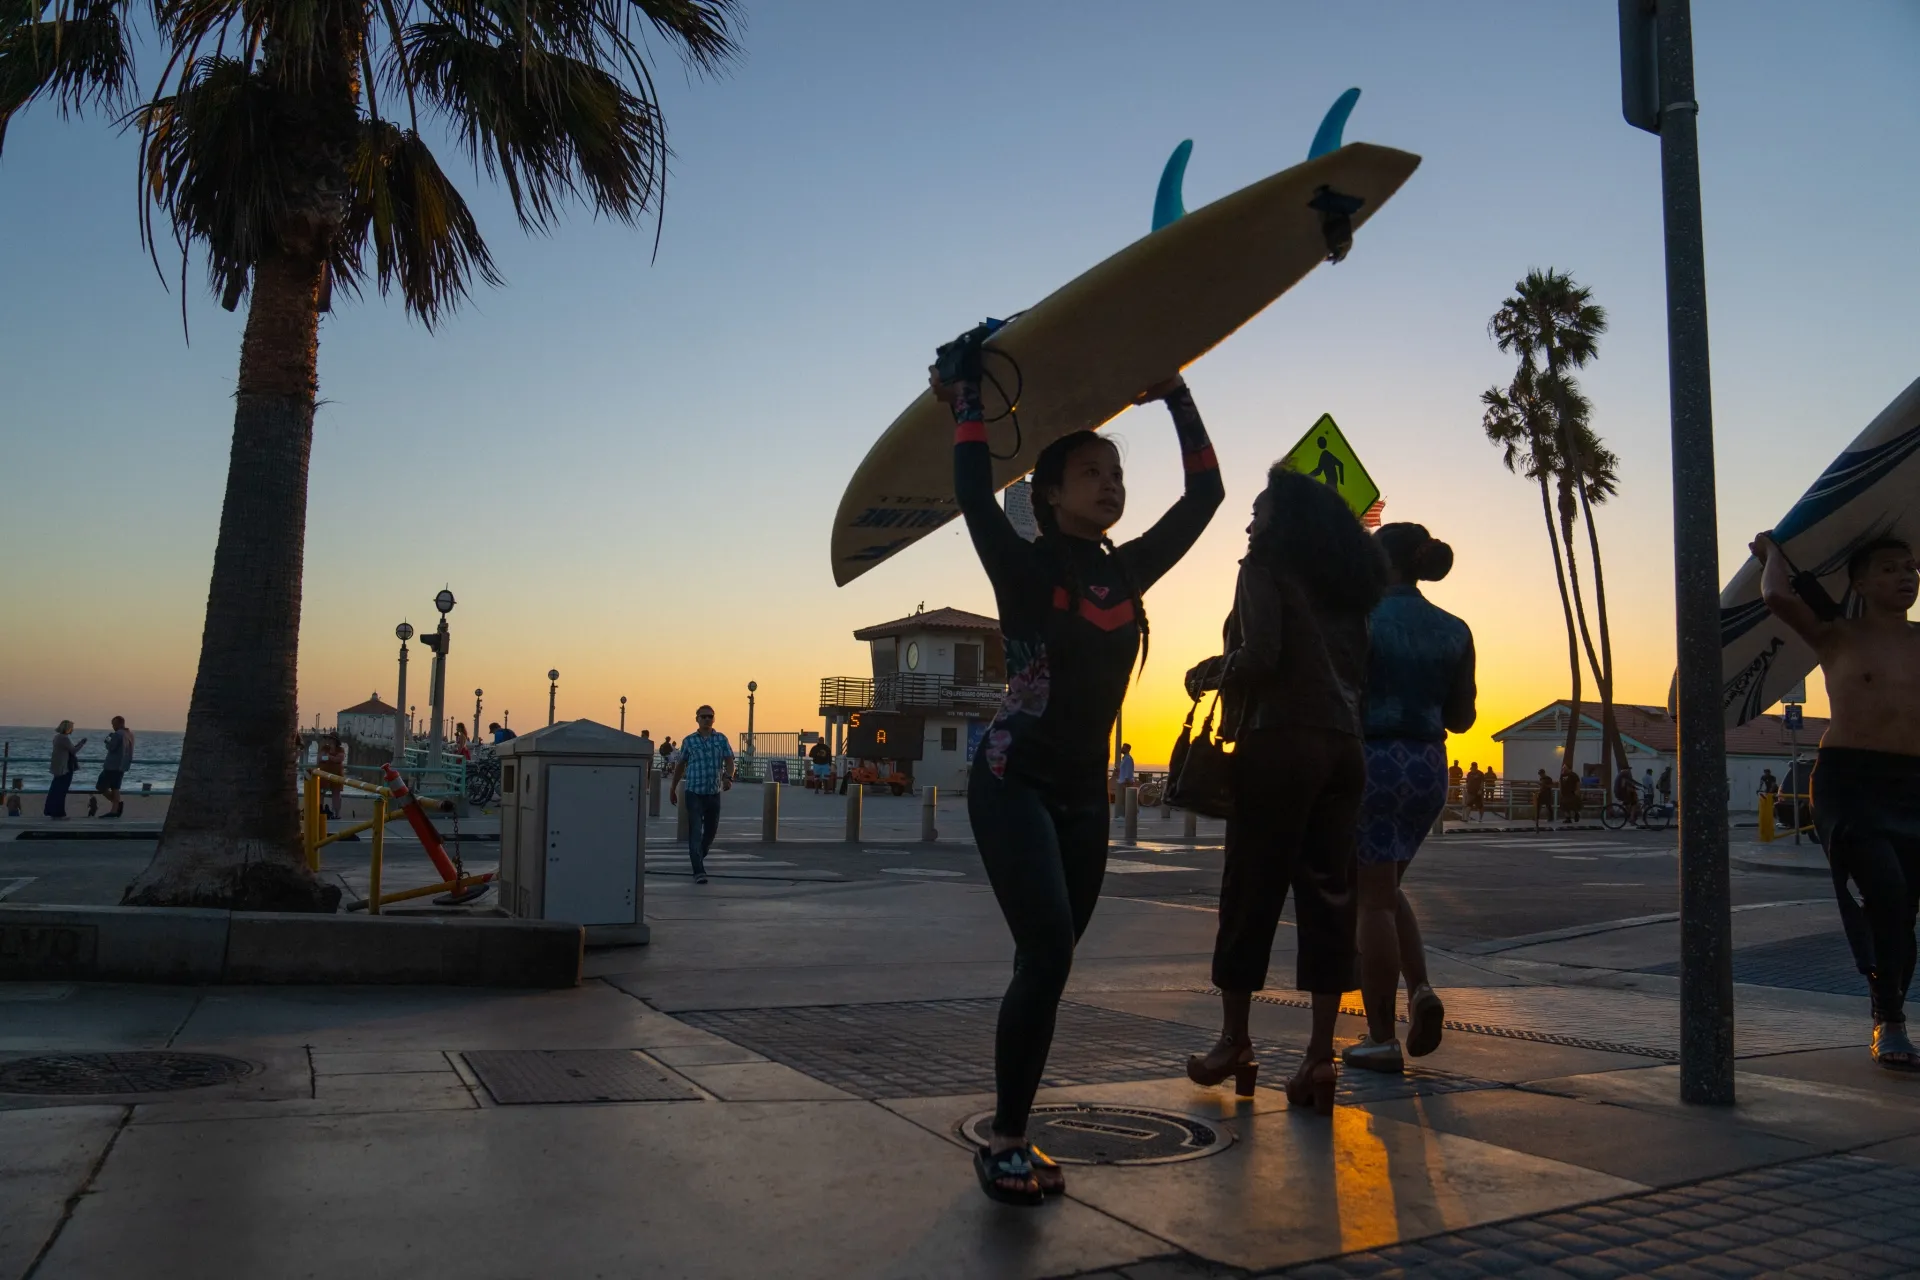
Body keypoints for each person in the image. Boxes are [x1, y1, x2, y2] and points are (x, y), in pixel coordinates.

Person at [933, 341, 1222, 1206]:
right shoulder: (1020, 566)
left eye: (1115, 474)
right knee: (1051, 950)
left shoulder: (1127, 570)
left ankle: (1013, 1125)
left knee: (1048, 960)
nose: (1110, 485)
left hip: (1080, 799)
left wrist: (1175, 394)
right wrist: (966, 400)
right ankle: (1007, 1142)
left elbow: (1204, 495)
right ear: (1051, 492)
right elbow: (974, 493)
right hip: (1011, 778)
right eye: (1091, 473)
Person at [1185, 468, 1381, 1117]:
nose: (1249, 523)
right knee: (1330, 898)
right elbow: (1362, 673)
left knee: (1250, 892)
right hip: (1344, 747)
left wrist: (1211, 671)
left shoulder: (1263, 567)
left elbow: (1262, 655)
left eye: (1258, 511)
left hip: (1281, 742)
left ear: (1282, 521)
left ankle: (1235, 1043)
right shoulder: (1351, 585)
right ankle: (1319, 1060)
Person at [1753, 531, 1920, 1071]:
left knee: (1904, 911)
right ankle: (1890, 1021)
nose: (1906, 577)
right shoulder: (1836, 636)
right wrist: (1773, 553)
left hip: (1913, 784)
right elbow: (1779, 597)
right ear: (1862, 583)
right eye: (1891, 569)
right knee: (1888, 892)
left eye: (1912, 568)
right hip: (1851, 780)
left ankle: (1889, 1014)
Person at [1343, 523, 1475, 1073]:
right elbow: (1462, 718)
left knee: (1372, 899)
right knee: (1387, 887)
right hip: (1428, 767)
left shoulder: (1362, 621)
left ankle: (1379, 1036)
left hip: (1371, 761)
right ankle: (1420, 989)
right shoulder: (1455, 629)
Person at [668, 706, 734, 884]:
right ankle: (698, 870)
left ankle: (698, 856)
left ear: (714, 719)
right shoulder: (689, 741)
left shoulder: (721, 739)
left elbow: (729, 761)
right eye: (703, 716)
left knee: (710, 833)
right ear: (696, 719)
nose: (706, 719)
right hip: (694, 792)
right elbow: (681, 765)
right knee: (695, 831)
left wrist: (728, 777)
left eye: (709, 716)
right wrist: (672, 788)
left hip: (713, 792)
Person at [97, 716, 134, 818]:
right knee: (115, 787)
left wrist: (107, 740)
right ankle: (116, 806)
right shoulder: (129, 734)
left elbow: (111, 747)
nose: (113, 726)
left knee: (101, 786)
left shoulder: (117, 734)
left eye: (114, 724)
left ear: (119, 723)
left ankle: (115, 807)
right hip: (123, 765)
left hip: (112, 765)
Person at [45, 721, 84, 818]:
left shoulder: (57, 737)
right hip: (64, 768)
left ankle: (52, 810)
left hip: (58, 767)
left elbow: (68, 749)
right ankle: (58, 812)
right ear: (68, 728)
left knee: (55, 789)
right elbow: (73, 751)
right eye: (71, 728)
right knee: (61, 791)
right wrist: (82, 744)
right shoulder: (64, 738)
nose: (72, 730)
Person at [315, 732, 347, 818]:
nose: (329, 740)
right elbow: (319, 758)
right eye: (329, 739)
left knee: (336, 794)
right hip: (324, 774)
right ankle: (320, 810)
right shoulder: (325, 748)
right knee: (321, 792)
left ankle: (337, 813)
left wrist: (328, 757)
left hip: (337, 774)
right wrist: (331, 757)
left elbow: (339, 759)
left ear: (335, 741)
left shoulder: (340, 749)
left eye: (331, 739)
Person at [1112, 742, 1136, 819]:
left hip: (1125, 782)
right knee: (1123, 800)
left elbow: (1129, 771)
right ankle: (1124, 815)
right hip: (1122, 781)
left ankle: (1126, 816)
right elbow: (1124, 769)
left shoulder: (1128, 759)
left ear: (1128, 749)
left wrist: (1126, 780)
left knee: (1125, 800)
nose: (1122, 748)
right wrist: (1118, 769)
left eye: (1124, 747)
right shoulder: (1125, 759)